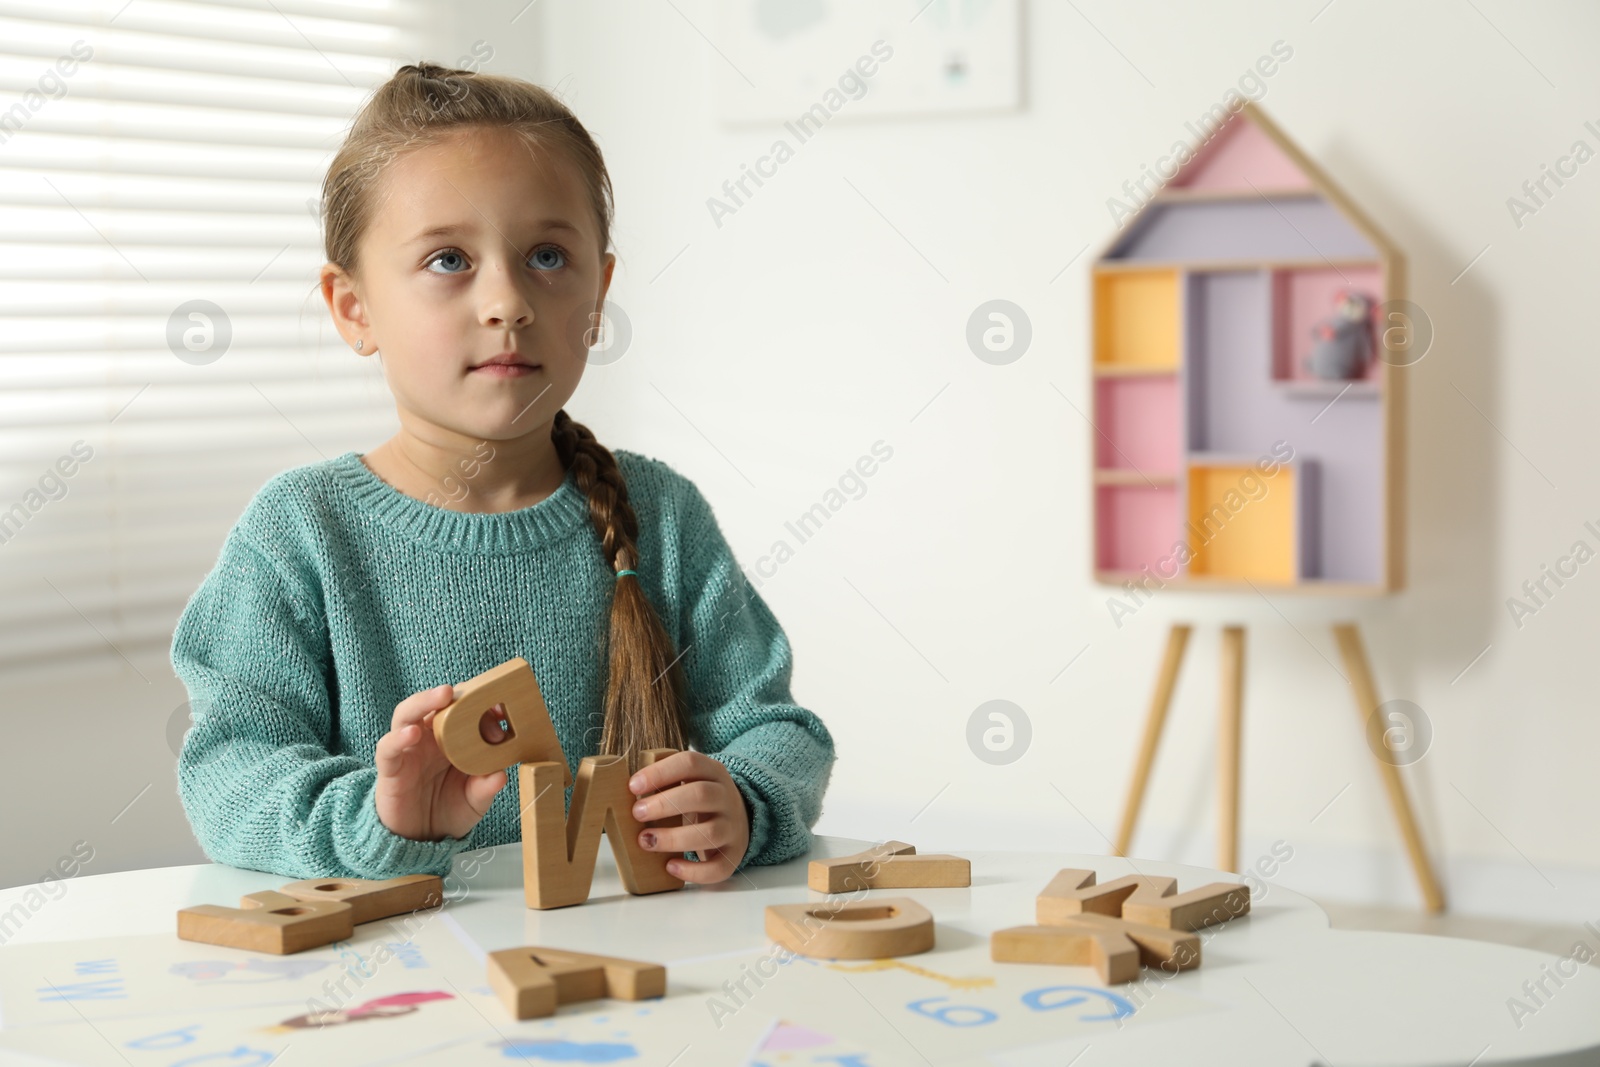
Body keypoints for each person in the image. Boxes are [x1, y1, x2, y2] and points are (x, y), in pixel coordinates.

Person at [169, 62, 835, 885]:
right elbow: (229, 774)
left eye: (548, 255)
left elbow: (777, 728)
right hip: (392, 987)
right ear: (355, 308)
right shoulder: (300, 533)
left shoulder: (660, 516)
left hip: (631, 973)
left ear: (599, 295)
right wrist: (376, 818)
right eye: (448, 259)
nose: (508, 301)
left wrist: (746, 798)